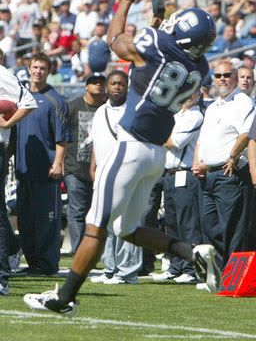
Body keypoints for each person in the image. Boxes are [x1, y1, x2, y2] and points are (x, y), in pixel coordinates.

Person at [23, 0, 220, 315]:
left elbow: (116, 41)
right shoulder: (199, 68)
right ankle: (192, 252)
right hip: (155, 155)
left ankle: (63, 299)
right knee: (126, 229)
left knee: (95, 228)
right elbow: (159, 54)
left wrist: (127, 1)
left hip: (128, 147)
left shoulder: (157, 45)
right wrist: (159, 14)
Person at [192, 61, 255, 271]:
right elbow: (202, 139)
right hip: (208, 174)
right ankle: (222, 271)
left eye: (227, 75)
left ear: (236, 77)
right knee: (210, 226)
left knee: (232, 227)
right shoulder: (213, 107)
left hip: (230, 172)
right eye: (218, 75)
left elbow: (246, 133)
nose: (221, 79)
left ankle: (232, 274)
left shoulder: (243, 102)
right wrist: (198, 162)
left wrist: (233, 156)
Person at [15, 52, 71, 276]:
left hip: (46, 172)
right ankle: (33, 263)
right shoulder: (21, 98)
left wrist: (58, 163)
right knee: (26, 222)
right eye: (35, 67)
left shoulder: (55, 100)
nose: (38, 72)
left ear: (49, 72)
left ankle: (48, 264)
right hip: (23, 170)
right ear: (29, 69)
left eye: (42, 68)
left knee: (47, 222)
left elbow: (62, 137)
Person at [90, 70, 142, 284]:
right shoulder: (100, 111)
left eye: (121, 83)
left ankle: (128, 271)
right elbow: (96, 142)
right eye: (113, 83)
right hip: (104, 173)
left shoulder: (134, 110)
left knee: (126, 224)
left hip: (126, 173)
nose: (117, 87)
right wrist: (94, 167)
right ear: (107, 86)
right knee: (106, 223)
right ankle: (110, 268)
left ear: (127, 86)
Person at [153, 90, 204, 284]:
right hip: (169, 173)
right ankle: (175, 265)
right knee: (171, 221)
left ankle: (190, 268)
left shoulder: (195, 116)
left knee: (187, 223)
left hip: (185, 173)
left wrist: (161, 136)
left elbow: (175, 142)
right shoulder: (176, 115)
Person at [0, 50, 37, 295]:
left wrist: (7, 123)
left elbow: (28, 102)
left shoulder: (2, 75)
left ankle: (2, 275)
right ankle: (12, 248)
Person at [64, 72, 106, 254]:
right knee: (77, 212)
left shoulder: (107, 109)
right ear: (86, 86)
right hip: (76, 168)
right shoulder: (73, 107)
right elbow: (62, 137)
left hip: (101, 169)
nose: (97, 85)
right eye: (93, 82)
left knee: (98, 213)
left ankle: (97, 252)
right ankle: (79, 251)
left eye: (100, 83)